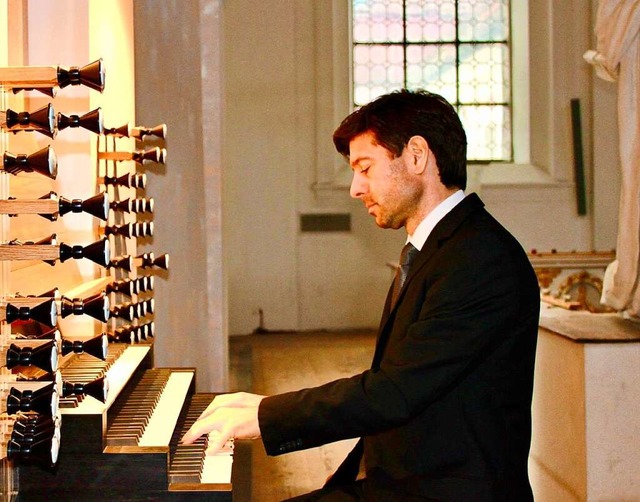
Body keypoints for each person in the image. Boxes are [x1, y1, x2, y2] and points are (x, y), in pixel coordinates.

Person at [182, 89, 540, 501]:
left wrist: (266, 413)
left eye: (365, 168)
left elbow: (394, 392)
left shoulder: (479, 260)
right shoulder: (441, 248)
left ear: (417, 156)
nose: (355, 188)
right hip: (406, 483)